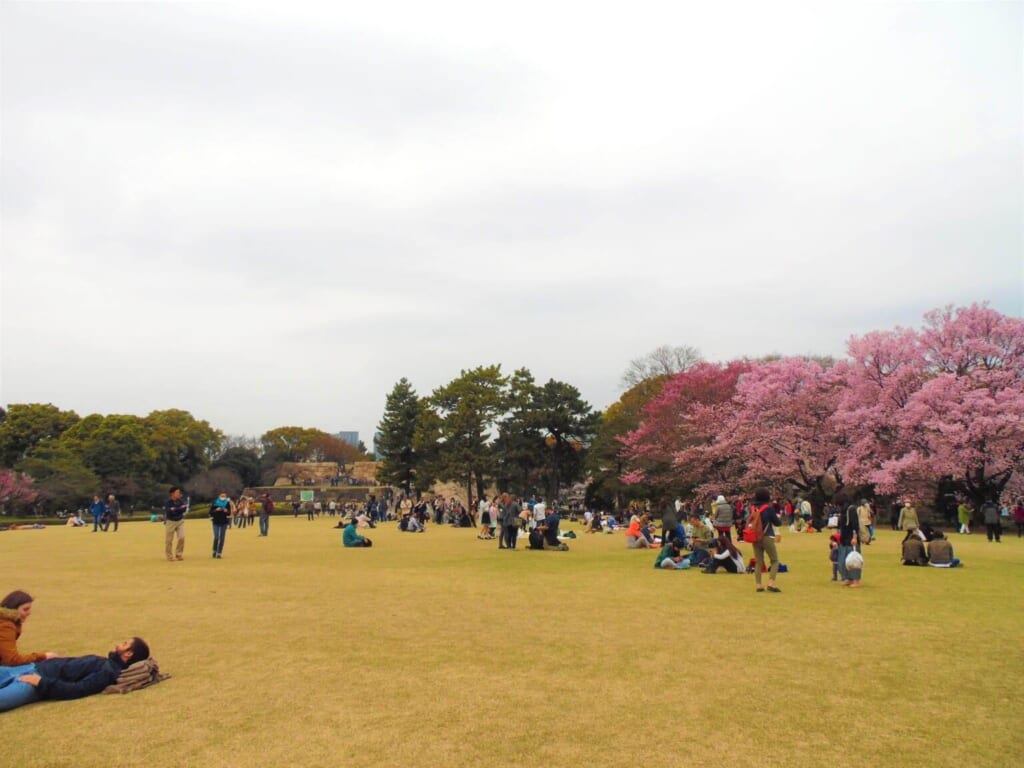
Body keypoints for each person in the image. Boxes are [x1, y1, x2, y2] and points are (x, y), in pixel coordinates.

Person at [0, 637, 149, 712]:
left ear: (129, 653)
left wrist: (41, 682)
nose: (118, 645)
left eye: (124, 644)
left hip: (33, 683)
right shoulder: (105, 662)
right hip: (31, 667)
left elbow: (77, 689)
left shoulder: (108, 672)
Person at [0, 591, 59, 666]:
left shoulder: (5, 621)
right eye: (25, 609)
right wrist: (44, 656)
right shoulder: (6, 626)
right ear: (13, 609)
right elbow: (13, 660)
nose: (29, 612)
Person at [748, 488, 782, 593]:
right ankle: (771, 582)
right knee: (774, 560)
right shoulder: (768, 508)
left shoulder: (752, 508)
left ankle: (758, 585)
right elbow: (777, 523)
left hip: (755, 536)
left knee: (759, 561)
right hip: (766, 536)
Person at [836, 496, 863, 588]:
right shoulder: (843, 511)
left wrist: (855, 537)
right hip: (844, 538)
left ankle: (856, 580)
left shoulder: (851, 509)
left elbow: (855, 525)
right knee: (845, 560)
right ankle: (848, 578)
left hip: (851, 539)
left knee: (854, 560)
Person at [163, 486, 188, 561]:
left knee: (181, 537)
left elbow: (184, 509)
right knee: (169, 540)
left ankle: (179, 554)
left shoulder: (180, 501)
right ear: (172, 493)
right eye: (177, 492)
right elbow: (169, 511)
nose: (179, 494)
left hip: (180, 521)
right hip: (170, 521)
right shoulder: (168, 502)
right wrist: (179, 509)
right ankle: (169, 556)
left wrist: (175, 509)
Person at [209, 492, 233, 559]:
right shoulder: (215, 503)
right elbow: (210, 512)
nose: (223, 497)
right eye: (222, 496)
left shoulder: (227, 503)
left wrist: (226, 511)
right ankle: (214, 550)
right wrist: (216, 510)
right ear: (219, 496)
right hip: (216, 522)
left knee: (222, 538)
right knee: (216, 537)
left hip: (224, 522)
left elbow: (229, 513)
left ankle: (219, 553)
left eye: (224, 496)